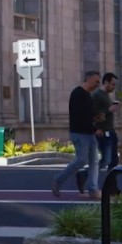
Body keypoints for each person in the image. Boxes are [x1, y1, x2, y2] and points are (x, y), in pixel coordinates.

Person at [52, 71, 102, 199]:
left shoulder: (88, 95)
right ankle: (58, 180)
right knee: (81, 160)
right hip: (79, 134)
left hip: (89, 134)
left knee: (94, 161)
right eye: (96, 81)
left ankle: (93, 189)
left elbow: (87, 116)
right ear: (89, 79)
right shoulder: (77, 94)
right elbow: (79, 116)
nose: (98, 84)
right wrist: (94, 128)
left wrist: (96, 118)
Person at [77, 72, 119, 193]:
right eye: (112, 84)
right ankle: (84, 174)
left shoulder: (106, 95)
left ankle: (112, 187)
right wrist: (109, 110)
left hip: (110, 131)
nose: (114, 87)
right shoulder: (97, 95)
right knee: (107, 160)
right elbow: (92, 115)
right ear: (106, 82)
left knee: (114, 160)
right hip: (102, 132)